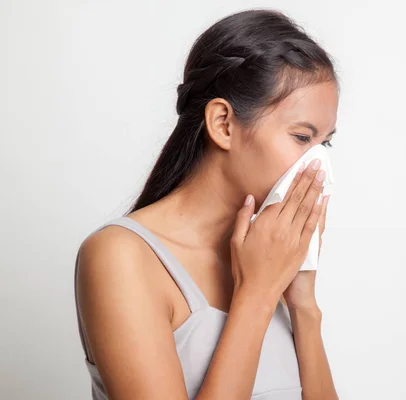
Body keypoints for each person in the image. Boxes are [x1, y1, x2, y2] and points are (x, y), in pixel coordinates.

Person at [74, 8, 339, 400]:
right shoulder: (121, 257)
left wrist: (302, 305)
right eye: (302, 138)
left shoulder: (267, 259)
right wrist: (258, 295)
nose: (319, 165)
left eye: (325, 144)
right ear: (223, 124)